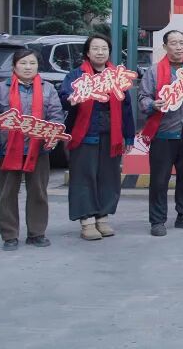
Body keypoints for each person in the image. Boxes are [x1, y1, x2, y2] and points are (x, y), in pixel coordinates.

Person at [0, 49, 64, 250]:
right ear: (14, 66)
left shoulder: (47, 89)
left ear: (38, 66)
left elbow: (56, 117)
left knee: (38, 193)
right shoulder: (1, 89)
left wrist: (52, 137)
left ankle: (37, 233)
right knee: (7, 194)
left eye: (32, 63)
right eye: (23, 63)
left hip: (38, 151)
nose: (28, 67)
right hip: (8, 151)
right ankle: (9, 235)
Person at [59, 34, 135, 241]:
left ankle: (103, 217)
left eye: (104, 48)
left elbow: (126, 108)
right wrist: (72, 99)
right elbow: (64, 98)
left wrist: (129, 136)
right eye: (95, 48)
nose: (100, 52)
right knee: (84, 177)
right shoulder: (76, 75)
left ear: (109, 52)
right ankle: (87, 221)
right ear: (87, 52)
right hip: (84, 134)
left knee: (109, 177)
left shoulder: (116, 76)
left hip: (111, 135)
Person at [138, 30, 183, 237]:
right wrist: (153, 104)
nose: (178, 47)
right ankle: (157, 221)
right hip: (163, 134)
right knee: (159, 181)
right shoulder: (154, 71)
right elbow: (142, 98)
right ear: (165, 46)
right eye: (174, 43)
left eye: (181, 43)